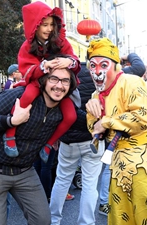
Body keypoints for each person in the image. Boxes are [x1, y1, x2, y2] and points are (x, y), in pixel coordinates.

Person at [85, 37, 147, 224]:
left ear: (115, 66)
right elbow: (95, 129)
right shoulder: (96, 94)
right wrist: (93, 116)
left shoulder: (131, 82)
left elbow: (143, 117)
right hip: (118, 163)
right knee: (122, 215)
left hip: (144, 161)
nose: (97, 71)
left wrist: (107, 121)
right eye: (92, 66)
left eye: (103, 65)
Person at [0, 65, 78, 225]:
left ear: (70, 86)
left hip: (24, 170)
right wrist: (10, 121)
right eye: (54, 79)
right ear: (44, 81)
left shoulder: (64, 110)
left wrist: (99, 114)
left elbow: (87, 121)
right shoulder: (18, 96)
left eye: (65, 81)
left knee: (42, 220)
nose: (59, 85)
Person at [3, 1, 81, 162]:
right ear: (35, 25)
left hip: (59, 85)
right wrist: (43, 66)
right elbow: (27, 70)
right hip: (37, 82)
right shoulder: (27, 46)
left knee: (71, 116)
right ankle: (9, 134)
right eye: (44, 25)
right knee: (26, 98)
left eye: (52, 24)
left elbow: (75, 59)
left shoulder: (61, 41)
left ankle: (49, 143)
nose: (49, 29)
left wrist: (69, 62)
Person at [49, 61, 102, 224]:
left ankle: (53, 220)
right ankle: (86, 222)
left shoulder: (65, 79)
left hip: (68, 139)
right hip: (92, 138)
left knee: (62, 180)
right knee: (90, 185)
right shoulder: (98, 78)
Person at [99, 53, 147, 216]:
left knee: (112, 166)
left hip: (111, 123)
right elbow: (140, 67)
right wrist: (129, 55)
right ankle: (106, 201)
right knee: (112, 166)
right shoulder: (118, 73)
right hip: (119, 126)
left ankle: (110, 201)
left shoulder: (98, 73)